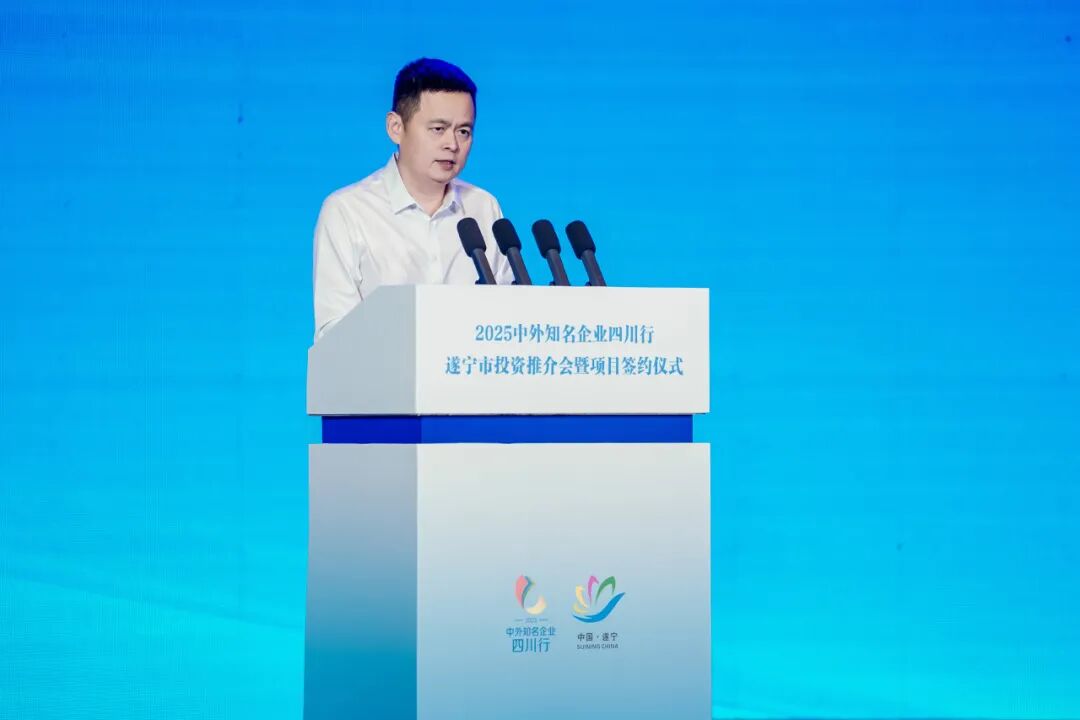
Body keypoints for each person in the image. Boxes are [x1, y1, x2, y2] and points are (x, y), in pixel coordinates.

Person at [312, 58, 512, 340]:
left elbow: (507, 320)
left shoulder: (483, 207)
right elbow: (334, 335)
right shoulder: (347, 211)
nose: (452, 144)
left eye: (464, 131)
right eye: (438, 129)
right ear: (396, 127)